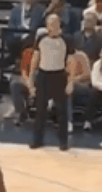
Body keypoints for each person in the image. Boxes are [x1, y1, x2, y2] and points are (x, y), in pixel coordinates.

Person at [28, 15, 73, 150]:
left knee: (62, 111)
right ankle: (37, 140)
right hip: (43, 76)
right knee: (40, 110)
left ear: (59, 25)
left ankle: (63, 142)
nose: (53, 26)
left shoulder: (66, 40)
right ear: (47, 26)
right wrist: (31, 82)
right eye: (51, 24)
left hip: (59, 76)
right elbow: (34, 61)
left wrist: (71, 82)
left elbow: (71, 62)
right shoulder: (41, 39)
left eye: (55, 23)